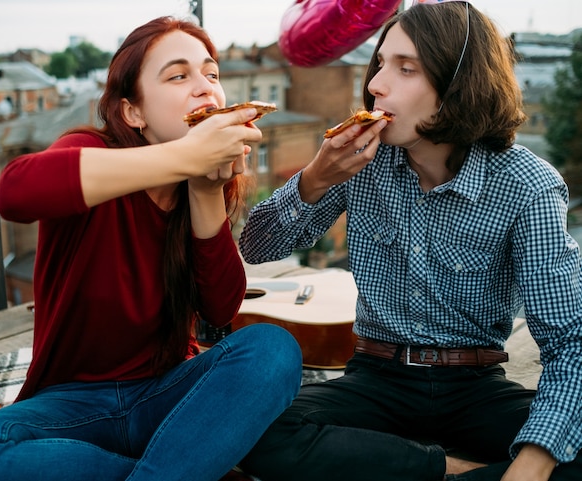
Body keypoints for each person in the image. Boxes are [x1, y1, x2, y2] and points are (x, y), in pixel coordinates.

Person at [237, 2, 582, 481]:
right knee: (246, 431)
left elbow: (570, 342)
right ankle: (447, 469)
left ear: (459, 84)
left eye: (405, 68)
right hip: (376, 379)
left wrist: (532, 463)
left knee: (565, 447)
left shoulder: (527, 185)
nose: (377, 82)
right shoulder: (361, 160)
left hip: (474, 385)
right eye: (381, 63)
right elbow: (255, 248)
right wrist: (313, 179)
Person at [0, 16, 302, 481]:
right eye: (179, 75)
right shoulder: (90, 151)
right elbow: (13, 193)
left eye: (212, 74)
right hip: (69, 407)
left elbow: (221, 309)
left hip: (167, 396)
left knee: (273, 348)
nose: (205, 88)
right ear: (133, 112)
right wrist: (182, 157)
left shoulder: (202, 186)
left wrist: (202, 191)